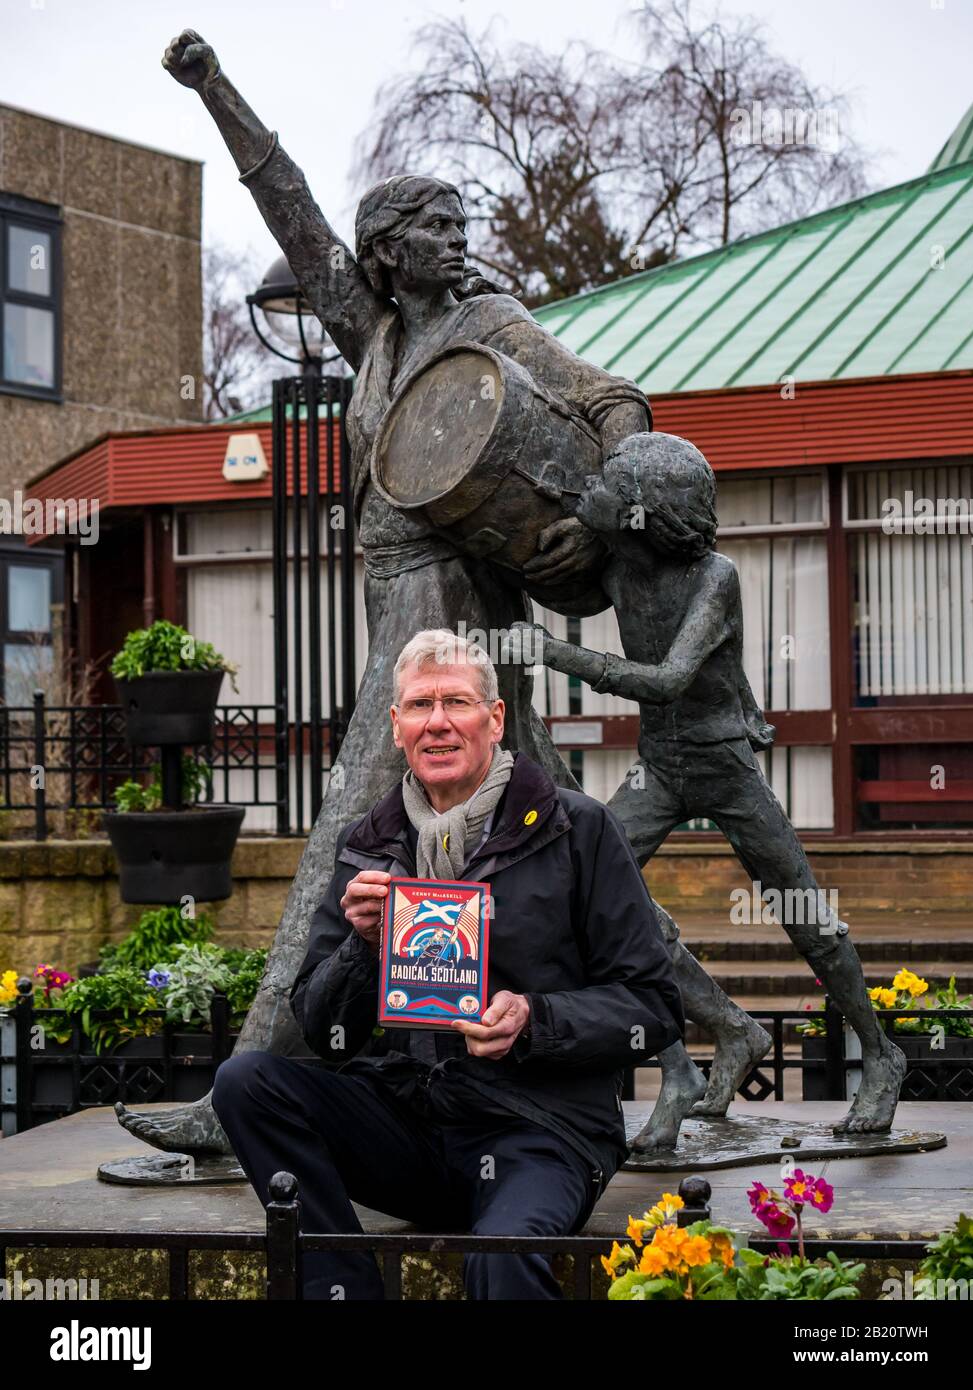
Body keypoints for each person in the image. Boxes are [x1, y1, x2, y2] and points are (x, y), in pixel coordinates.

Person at [117, 29, 657, 1159]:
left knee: (334, 852)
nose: (459, 244)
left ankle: (238, 1095)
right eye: (435, 229)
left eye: (464, 226)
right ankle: (720, 1033)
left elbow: (609, 397)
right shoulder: (374, 334)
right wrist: (214, 86)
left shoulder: (488, 326)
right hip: (426, 626)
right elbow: (292, 209)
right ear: (385, 257)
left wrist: (617, 492)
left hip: (437, 626)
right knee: (567, 830)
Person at [212, 629, 684, 1299]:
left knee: (498, 1255)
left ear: (494, 720)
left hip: (540, 1132)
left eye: (457, 703)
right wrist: (359, 947)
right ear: (396, 726)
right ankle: (347, 1293)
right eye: (420, 706)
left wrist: (534, 1019)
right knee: (246, 1083)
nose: (438, 722)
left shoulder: (578, 829)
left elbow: (654, 1005)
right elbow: (318, 1026)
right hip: (412, 1123)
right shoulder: (368, 843)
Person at [507, 433, 907, 1138]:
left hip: (723, 766)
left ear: (645, 514)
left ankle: (881, 1056)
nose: (592, 496)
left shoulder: (714, 577)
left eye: (609, 489)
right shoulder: (617, 563)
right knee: (596, 894)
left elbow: (668, 679)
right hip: (659, 769)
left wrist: (557, 652)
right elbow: (559, 531)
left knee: (805, 913)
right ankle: (707, 1049)